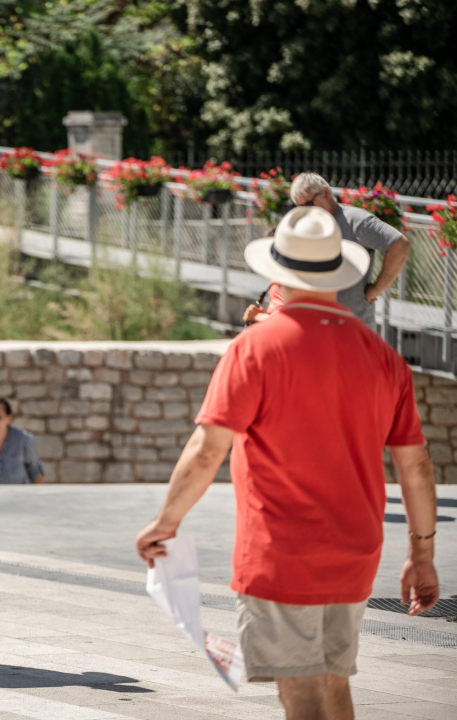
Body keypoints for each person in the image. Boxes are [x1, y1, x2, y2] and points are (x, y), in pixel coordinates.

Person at [136, 207, 439, 720]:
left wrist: (166, 522)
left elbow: (208, 449)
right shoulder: (383, 358)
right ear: (339, 273)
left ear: (277, 273)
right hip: (356, 553)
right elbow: (418, 467)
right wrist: (422, 554)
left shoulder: (254, 348)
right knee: (335, 684)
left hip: (281, 553)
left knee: (301, 697)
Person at [287, 172, 411, 327]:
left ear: (326, 193)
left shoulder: (356, 220)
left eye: (309, 205)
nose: (307, 212)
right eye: (301, 208)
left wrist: (377, 289)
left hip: (353, 324)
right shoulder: (310, 225)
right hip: (320, 323)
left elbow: (400, 245)